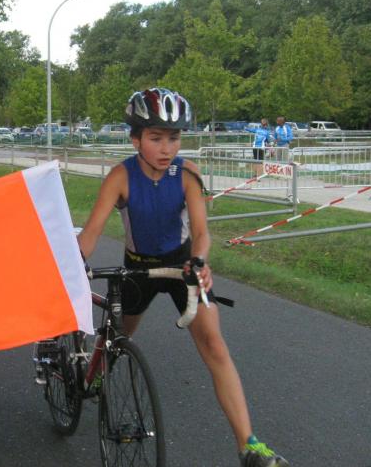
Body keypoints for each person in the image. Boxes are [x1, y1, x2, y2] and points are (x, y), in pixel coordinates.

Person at [77, 88, 289, 467]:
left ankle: (250, 447)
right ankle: (95, 371)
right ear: (135, 139)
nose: (166, 148)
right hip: (137, 267)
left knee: (215, 346)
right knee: (118, 337)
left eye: (173, 138)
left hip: (182, 265)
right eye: (156, 138)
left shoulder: (187, 173)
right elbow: (91, 234)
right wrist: (74, 263)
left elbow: (202, 232)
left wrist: (200, 262)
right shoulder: (120, 176)